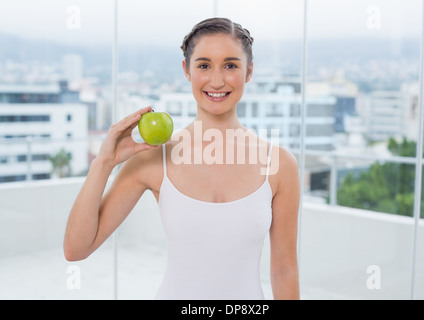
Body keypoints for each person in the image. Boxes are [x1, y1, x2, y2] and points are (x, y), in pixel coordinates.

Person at [64, 17, 300, 300]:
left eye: (230, 65)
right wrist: (102, 163)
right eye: (203, 65)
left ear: (249, 71)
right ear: (187, 71)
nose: (216, 80)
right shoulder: (153, 159)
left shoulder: (280, 164)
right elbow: (76, 249)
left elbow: (285, 269)